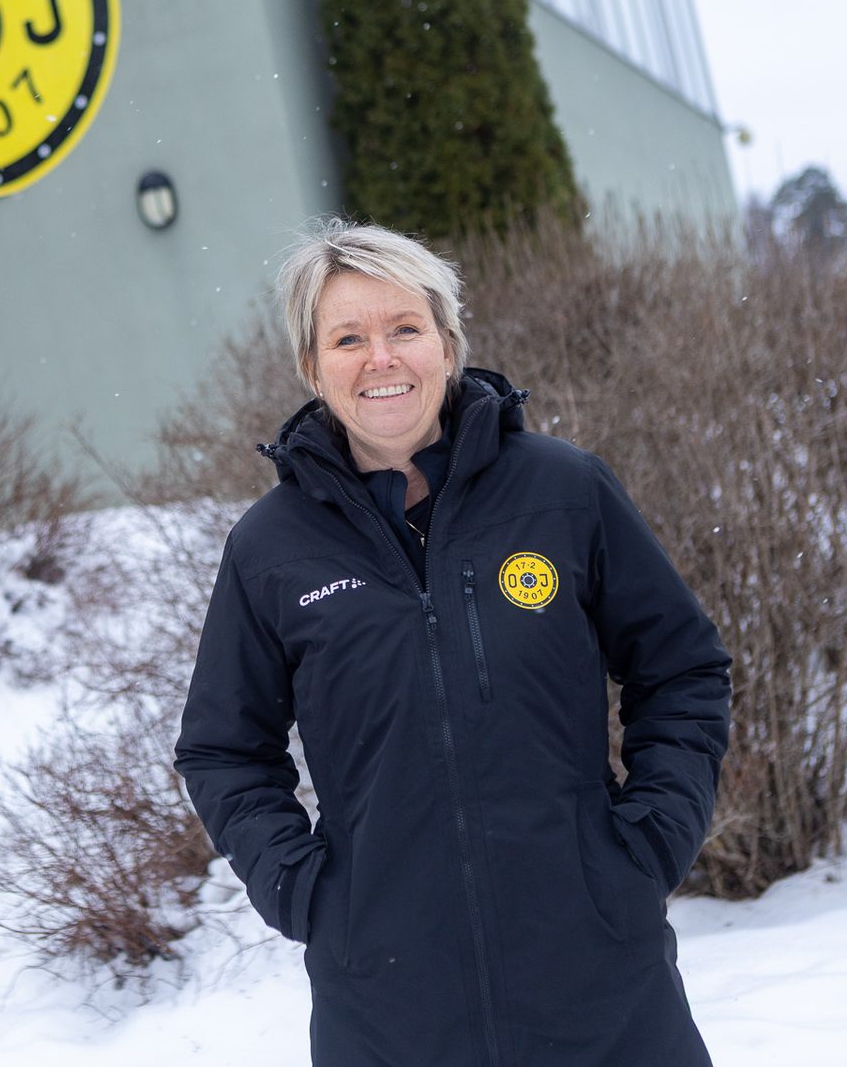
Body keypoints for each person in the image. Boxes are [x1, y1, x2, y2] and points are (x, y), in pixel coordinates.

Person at [174, 218, 731, 1066]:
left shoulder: (563, 492)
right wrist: (309, 892)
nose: (381, 358)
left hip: (602, 989)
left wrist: (649, 840)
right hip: (389, 1012)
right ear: (311, 366)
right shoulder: (271, 548)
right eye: (348, 337)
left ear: (448, 342)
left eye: (405, 328)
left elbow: (682, 669)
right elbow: (222, 748)